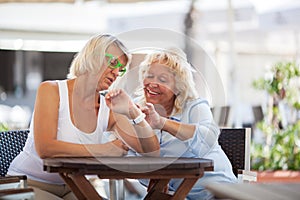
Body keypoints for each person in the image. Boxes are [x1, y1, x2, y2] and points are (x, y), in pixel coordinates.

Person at [7, 34, 159, 200]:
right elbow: (46, 149)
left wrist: (133, 112)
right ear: (93, 57)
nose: (116, 73)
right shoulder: (51, 90)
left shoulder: (108, 106)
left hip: (75, 186)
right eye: (113, 63)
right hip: (30, 183)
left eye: (120, 69)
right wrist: (104, 150)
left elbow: (151, 151)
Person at [112, 47, 237, 200]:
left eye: (162, 80)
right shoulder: (135, 109)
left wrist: (162, 123)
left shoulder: (194, 106)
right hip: (173, 195)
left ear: (178, 86)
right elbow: (125, 152)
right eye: (149, 76)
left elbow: (208, 138)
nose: (152, 83)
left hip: (217, 193)